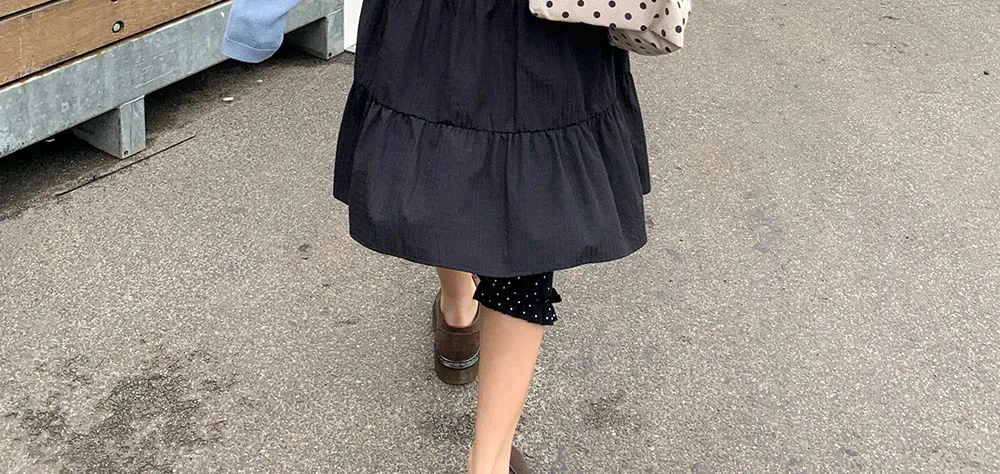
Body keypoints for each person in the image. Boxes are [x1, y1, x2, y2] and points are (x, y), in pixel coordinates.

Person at [223, 0, 649, 470]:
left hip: (430, 21)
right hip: (547, 25)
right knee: (529, 215)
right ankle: (488, 462)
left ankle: (458, 314)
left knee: (441, 168)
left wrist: (257, 17)